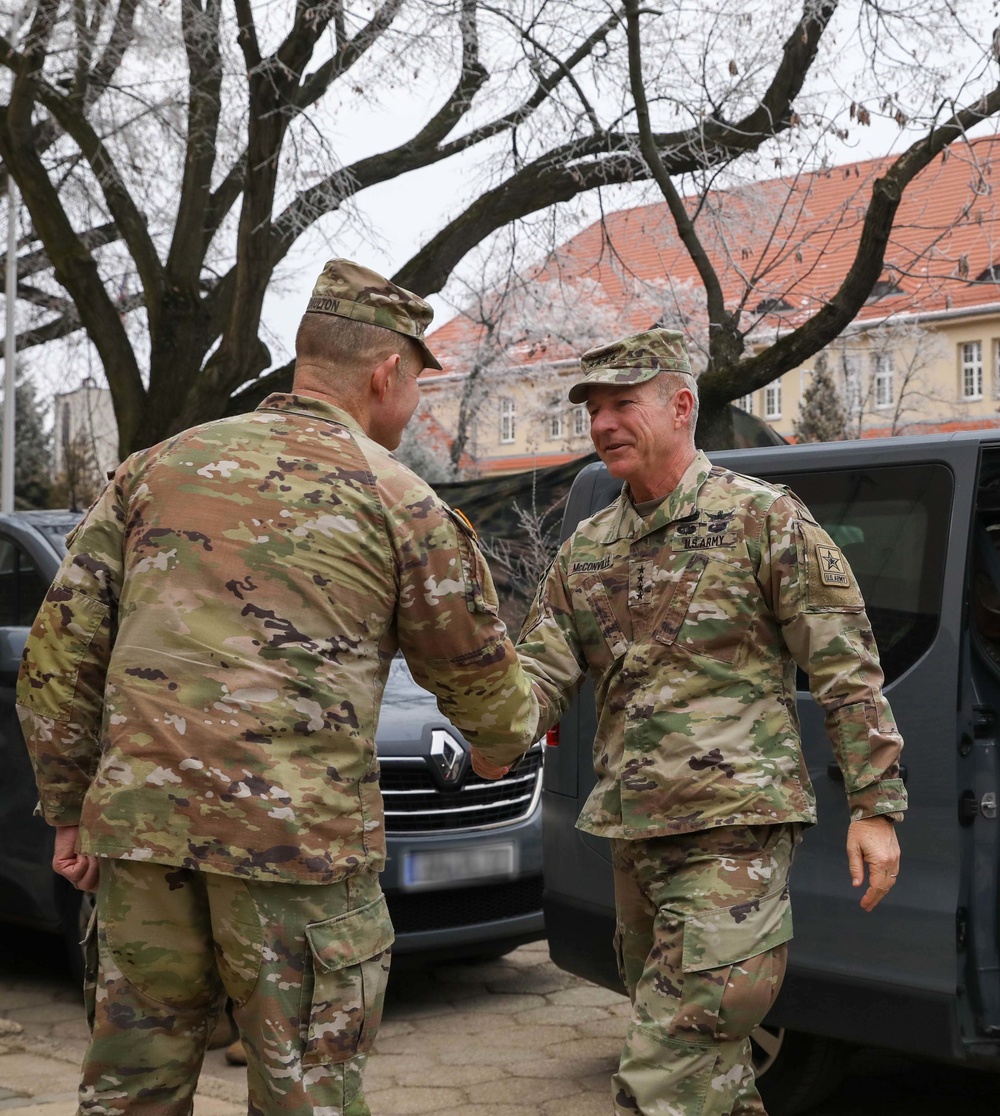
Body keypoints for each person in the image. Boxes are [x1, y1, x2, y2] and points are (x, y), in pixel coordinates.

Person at [16, 259, 538, 1116]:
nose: (413, 410)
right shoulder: (398, 499)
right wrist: (497, 747)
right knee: (308, 1097)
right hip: (297, 853)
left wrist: (70, 809)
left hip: (143, 841)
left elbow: (58, 656)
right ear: (384, 375)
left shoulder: (154, 469)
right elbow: (480, 678)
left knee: (129, 1094)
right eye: (416, 387)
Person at [471, 328, 906, 1116]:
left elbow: (845, 663)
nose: (603, 424)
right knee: (712, 1067)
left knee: (667, 1069)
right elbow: (540, 673)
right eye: (594, 409)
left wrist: (875, 806)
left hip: (734, 836)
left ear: (680, 407)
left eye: (622, 404)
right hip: (637, 842)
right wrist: (491, 723)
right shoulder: (588, 550)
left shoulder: (762, 519)